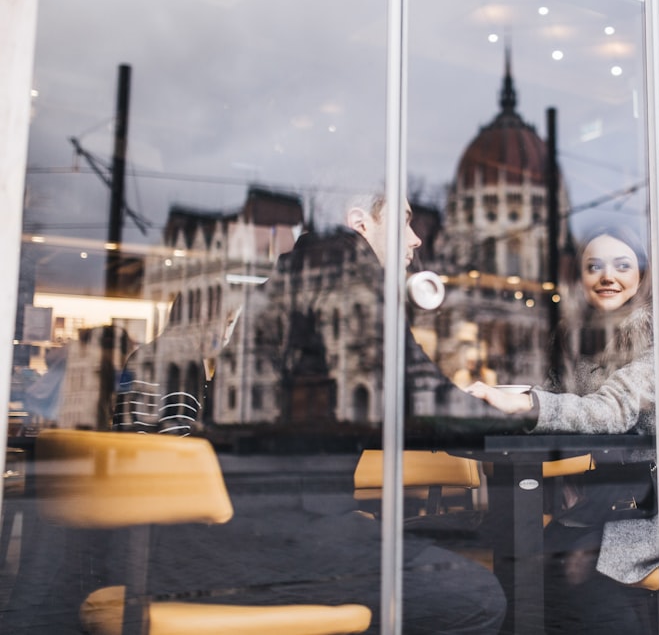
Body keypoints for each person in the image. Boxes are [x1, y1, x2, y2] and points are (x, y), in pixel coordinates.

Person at [4, 193, 508, 635]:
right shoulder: (346, 279)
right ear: (360, 222)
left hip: (213, 534)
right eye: (402, 220)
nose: (416, 238)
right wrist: (522, 411)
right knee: (476, 597)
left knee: (413, 561)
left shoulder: (288, 281)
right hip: (259, 543)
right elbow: (425, 404)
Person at [466, 226, 659, 634]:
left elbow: (612, 410)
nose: (607, 276)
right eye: (594, 266)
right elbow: (555, 400)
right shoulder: (579, 340)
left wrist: (528, 403)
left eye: (622, 265)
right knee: (530, 560)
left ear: (642, 276)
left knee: (584, 565)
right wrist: (490, 400)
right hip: (609, 504)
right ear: (580, 278)